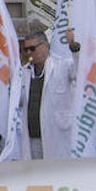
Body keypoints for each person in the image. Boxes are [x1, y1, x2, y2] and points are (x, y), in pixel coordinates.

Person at [17, 31, 75, 160]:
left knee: (57, 174)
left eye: (32, 48)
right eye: (25, 49)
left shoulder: (63, 66)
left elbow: (81, 70)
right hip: (33, 137)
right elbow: (18, 100)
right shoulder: (24, 72)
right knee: (37, 175)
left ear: (46, 46)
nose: (29, 53)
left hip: (57, 134)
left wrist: (74, 47)